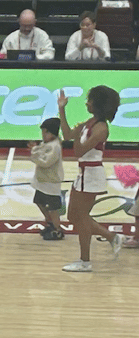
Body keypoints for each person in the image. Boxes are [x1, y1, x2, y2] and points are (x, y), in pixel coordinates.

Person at [58, 86, 125, 272]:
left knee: (81, 218)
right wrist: (62, 109)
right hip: (83, 174)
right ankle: (110, 238)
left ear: (98, 104)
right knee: (74, 217)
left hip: (92, 174)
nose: (86, 102)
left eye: (90, 100)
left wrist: (79, 133)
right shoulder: (90, 122)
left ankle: (86, 260)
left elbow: (78, 150)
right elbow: (67, 136)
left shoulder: (101, 128)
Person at [28, 117, 65, 241]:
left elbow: (46, 162)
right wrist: (35, 148)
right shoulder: (47, 144)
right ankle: (50, 223)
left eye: (45, 132)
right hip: (43, 181)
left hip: (51, 182)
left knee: (53, 208)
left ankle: (57, 229)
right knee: (39, 201)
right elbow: (41, 150)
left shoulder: (55, 147)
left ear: (52, 133)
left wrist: (34, 154)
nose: (43, 135)